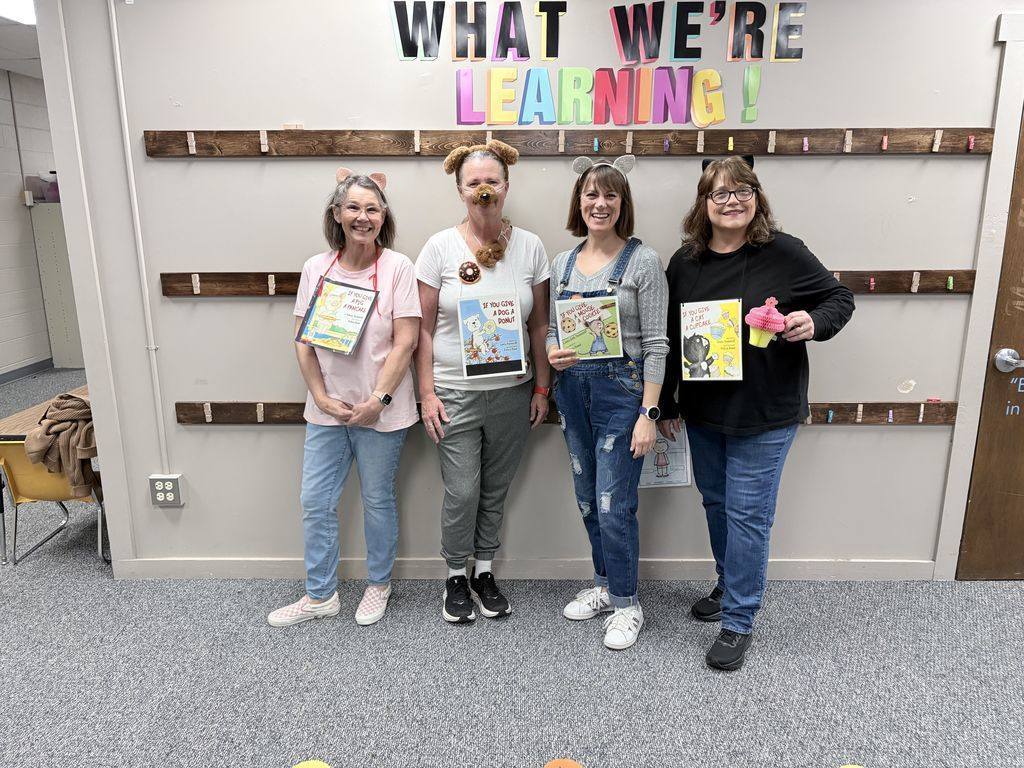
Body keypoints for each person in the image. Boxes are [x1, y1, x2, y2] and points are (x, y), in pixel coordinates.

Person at [658, 156, 855, 670]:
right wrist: (667, 401)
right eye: (720, 193)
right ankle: (728, 585)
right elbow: (673, 337)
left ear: (757, 198)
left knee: (748, 515)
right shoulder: (685, 262)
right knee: (717, 504)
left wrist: (812, 321)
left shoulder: (783, 252)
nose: (732, 200)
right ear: (703, 203)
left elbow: (840, 298)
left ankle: (739, 620)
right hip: (704, 411)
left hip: (766, 411)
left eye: (743, 190)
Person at [268, 168, 421, 628]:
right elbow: (302, 340)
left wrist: (378, 399)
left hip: (381, 411)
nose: (362, 217)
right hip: (327, 411)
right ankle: (320, 595)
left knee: (377, 500)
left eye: (372, 209)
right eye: (353, 207)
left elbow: (406, 341)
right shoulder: (317, 268)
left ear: (384, 216)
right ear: (336, 213)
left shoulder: (398, 268)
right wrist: (320, 396)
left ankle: (378, 585)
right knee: (315, 501)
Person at [415, 140, 552, 623]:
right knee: (463, 490)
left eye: (491, 180)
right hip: (454, 393)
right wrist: (426, 393)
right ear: (460, 190)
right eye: (473, 182)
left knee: (496, 487)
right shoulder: (438, 247)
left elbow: (540, 326)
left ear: (506, 186)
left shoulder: (531, 246)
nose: (483, 189)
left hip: (514, 392)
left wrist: (542, 387)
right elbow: (423, 329)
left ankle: (485, 570)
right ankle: (455, 573)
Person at [547, 155, 669, 650]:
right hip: (573, 392)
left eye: (610, 195)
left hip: (624, 394)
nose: (600, 203)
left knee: (614, 504)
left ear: (623, 203)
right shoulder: (561, 263)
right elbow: (557, 329)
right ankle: (603, 584)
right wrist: (554, 355)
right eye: (591, 194)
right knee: (587, 500)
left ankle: (626, 603)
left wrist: (649, 413)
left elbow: (658, 342)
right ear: (579, 201)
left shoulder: (644, 261)